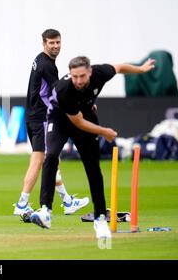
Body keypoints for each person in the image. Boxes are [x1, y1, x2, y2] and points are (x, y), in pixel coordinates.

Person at [25, 56, 155, 239]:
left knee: (92, 166)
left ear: (90, 72)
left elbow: (118, 67)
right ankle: (45, 210)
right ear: (70, 74)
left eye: (82, 76)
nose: (78, 81)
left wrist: (140, 70)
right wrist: (104, 132)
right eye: (75, 76)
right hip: (60, 118)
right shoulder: (64, 90)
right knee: (51, 155)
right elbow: (77, 122)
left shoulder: (101, 73)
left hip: (85, 114)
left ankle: (100, 219)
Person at [14, 29, 89, 217]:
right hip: (40, 119)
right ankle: (22, 203)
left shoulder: (40, 59)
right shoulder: (47, 65)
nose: (55, 46)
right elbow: (57, 93)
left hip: (34, 117)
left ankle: (67, 200)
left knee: (51, 160)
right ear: (44, 43)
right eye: (51, 43)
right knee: (39, 161)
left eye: (58, 42)